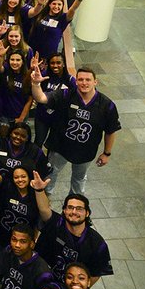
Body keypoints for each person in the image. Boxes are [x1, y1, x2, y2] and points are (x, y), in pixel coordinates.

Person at [30, 63, 121, 196]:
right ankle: (45, 197)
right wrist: (36, 84)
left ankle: (76, 203)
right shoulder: (65, 95)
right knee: (51, 172)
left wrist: (106, 153)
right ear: (76, 81)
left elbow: (111, 130)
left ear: (95, 81)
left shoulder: (107, 105)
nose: (84, 83)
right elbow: (41, 98)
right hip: (60, 147)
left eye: (88, 79)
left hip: (85, 151)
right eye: (80, 79)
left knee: (79, 179)